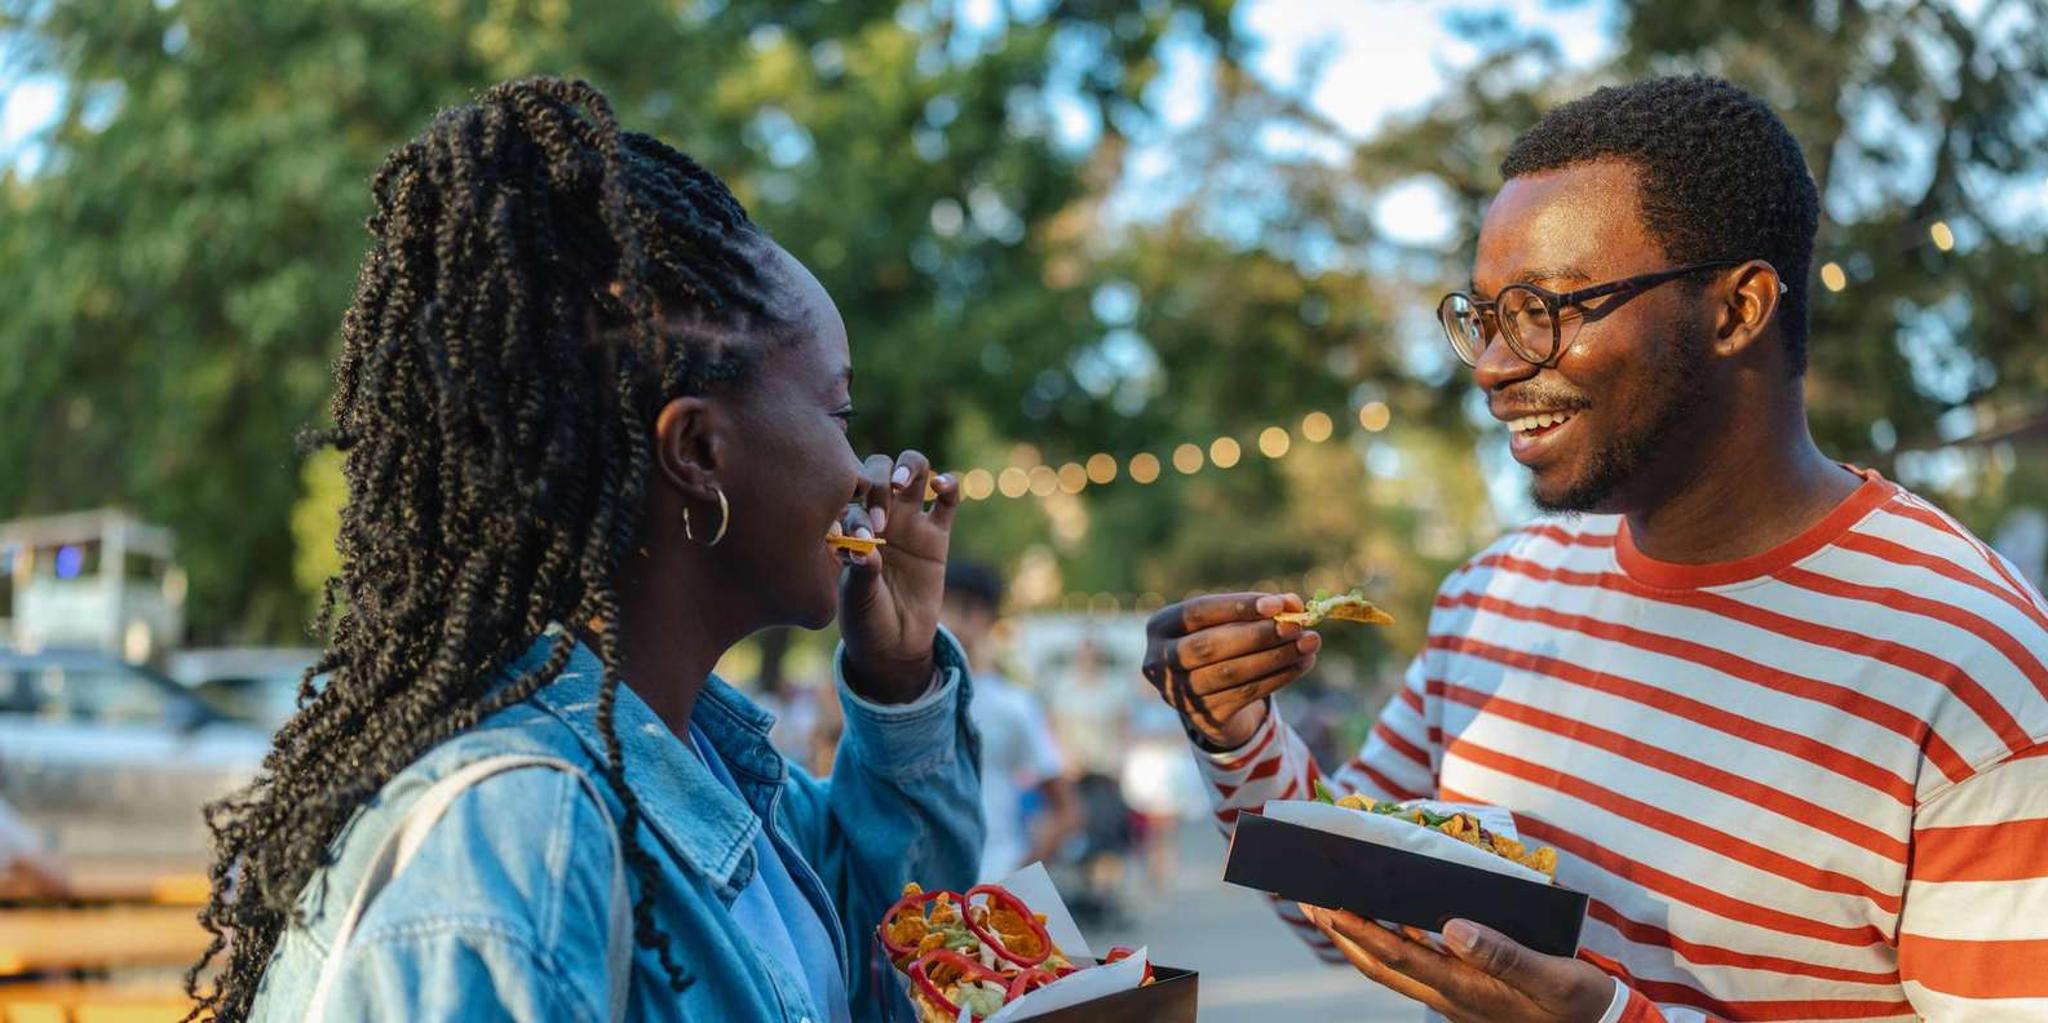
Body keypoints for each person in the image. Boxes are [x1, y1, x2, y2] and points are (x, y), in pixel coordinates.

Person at [1142, 75, 2048, 1022]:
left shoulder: (1967, 668)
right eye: (1486, 316)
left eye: (1547, 309)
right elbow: (1335, 904)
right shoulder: (1495, 597)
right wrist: (1233, 730)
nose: (1495, 367)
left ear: (1737, 310)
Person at [187, 77, 981, 1023]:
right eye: (840, 410)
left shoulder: (708, 768)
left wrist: (896, 681)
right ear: (696, 452)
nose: (864, 471)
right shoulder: (513, 838)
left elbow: (903, 965)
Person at [939, 561, 1081, 881]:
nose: (948, 622)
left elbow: (1066, 809)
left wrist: (1018, 883)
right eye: (939, 606)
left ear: (987, 619)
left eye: (963, 609)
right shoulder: (897, 706)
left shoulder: (1014, 706)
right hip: (914, 901)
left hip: (992, 887)